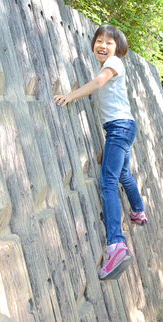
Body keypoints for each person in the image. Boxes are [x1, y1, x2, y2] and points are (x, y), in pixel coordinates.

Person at [54, 24, 147, 281]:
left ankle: (116, 245)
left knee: (107, 184)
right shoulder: (111, 63)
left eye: (109, 41)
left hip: (119, 129)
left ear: (118, 48)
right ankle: (138, 211)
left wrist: (71, 96)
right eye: (99, 40)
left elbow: (97, 83)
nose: (102, 45)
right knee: (123, 174)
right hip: (123, 127)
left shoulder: (115, 63)